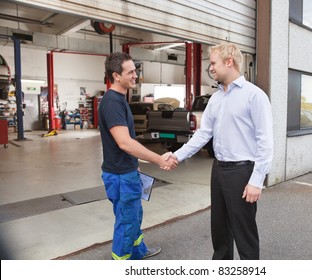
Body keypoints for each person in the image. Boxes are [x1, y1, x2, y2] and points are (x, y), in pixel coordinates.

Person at [171, 43, 273, 260]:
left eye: (214, 63)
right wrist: (177, 155)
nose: (211, 68)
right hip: (218, 170)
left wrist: (257, 180)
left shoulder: (255, 96)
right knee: (220, 233)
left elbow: (265, 142)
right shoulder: (216, 98)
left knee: (244, 234)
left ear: (229, 62)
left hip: (242, 172)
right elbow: (203, 134)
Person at [99, 52, 178, 260]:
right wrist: (160, 159)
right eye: (131, 72)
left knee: (134, 216)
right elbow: (124, 142)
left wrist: (134, 164)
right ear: (116, 75)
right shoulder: (112, 103)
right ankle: (124, 260)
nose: (136, 75)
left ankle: (138, 251)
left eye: (135, 70)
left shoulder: (120, 99)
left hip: (127, 172)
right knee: (126, 222)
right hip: (120, 177)